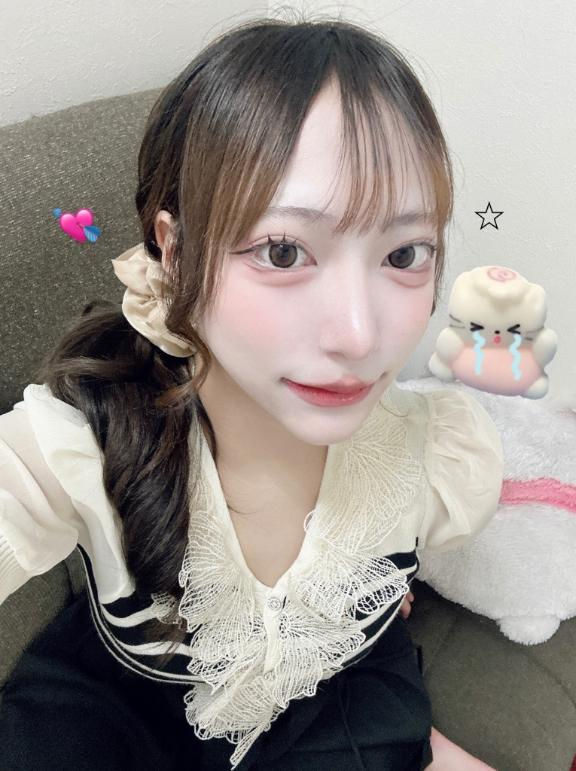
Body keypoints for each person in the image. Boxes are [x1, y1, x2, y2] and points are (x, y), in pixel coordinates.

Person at [0, 14, 503, 771]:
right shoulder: (78, 446)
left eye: (404, 253)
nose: (360, 334)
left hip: (339, 699)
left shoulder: (437, 452)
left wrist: (360, 592)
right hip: (122, 711)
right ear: (174, 250)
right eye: (284, 250)